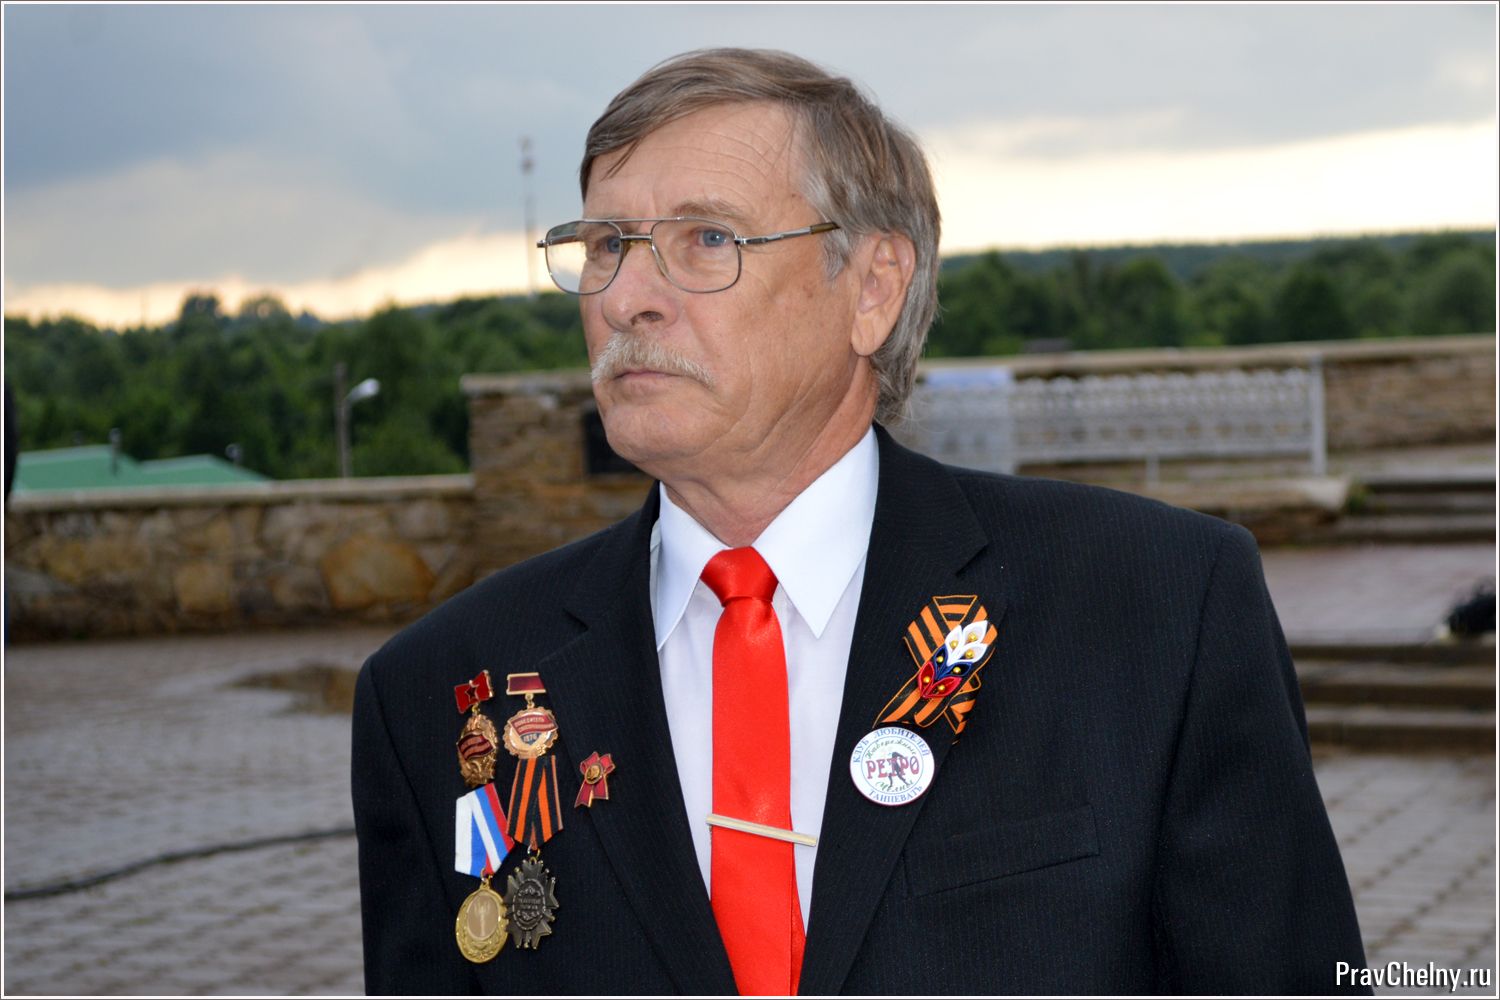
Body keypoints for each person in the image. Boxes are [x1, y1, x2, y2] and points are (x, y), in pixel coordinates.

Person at [352, 48, 1369, 995]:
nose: (627, 299)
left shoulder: (1155, 609)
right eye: (608, 245)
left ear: (873, 288)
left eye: (706, 239)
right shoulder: (439, 691)